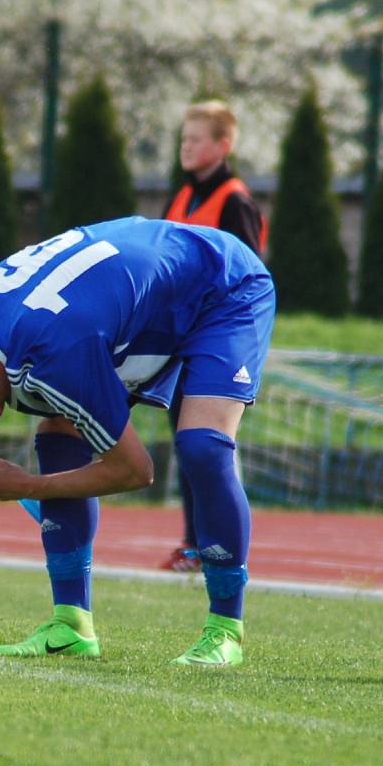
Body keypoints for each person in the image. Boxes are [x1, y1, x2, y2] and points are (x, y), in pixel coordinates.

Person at [0, 216, 275, 668]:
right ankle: (71, 624)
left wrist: (28, 487)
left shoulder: (57, 360)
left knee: (202, 445)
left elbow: (136, 471)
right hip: (142, 294)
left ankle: (225, 630)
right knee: (58, 432)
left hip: (223, 284)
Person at [161, 99, 267, 572]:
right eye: (183, 138)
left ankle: (219, 545)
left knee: (210, 442)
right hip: (178, 338)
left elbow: (247, 272)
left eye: (196, 139)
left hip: (217, 340)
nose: (186, 146)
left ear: (222, 146)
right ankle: (193, 544)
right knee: (186, 443)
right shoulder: (181, 198)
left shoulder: (234, 200)